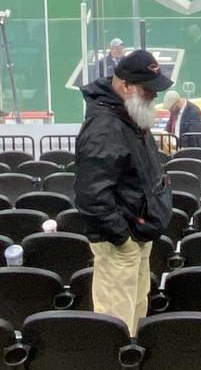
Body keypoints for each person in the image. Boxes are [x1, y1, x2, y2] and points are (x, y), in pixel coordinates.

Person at [75, 48, 175, 333]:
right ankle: (118, 362)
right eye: (147, 89)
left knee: (135, 312)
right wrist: (123, 239)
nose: (153, 95)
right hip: (121, 242)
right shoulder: (104, 128)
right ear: (125, 86)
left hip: (138, 234)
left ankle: (132, 357)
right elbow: (91, 197)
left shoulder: (128, 115)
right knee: (117, 323)